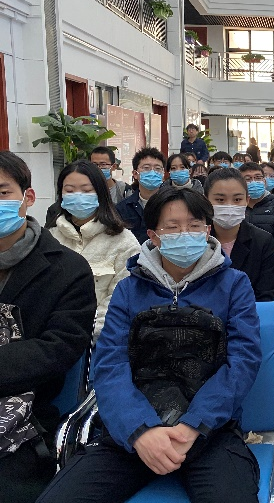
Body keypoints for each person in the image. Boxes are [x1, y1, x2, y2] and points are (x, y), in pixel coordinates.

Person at [38, 187, 262, 503]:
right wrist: (141, 431)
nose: (185, 234)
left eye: (194, 225)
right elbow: (110, 364)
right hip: (133, 431)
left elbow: (242, 361)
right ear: (154, 236)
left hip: (210, 430)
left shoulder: (234, 284)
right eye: (173, 227)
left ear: (207, 230)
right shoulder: (128, 290)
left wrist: (194, 425)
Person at [0, 152, 95, 503]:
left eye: (2, 192)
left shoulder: (67, 269)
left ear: (28, 197)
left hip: (27, 415)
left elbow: (60, 346)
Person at [47, 160, 140, 342]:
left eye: (87, 190)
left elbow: (120, 300)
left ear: (100, 194)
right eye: (70, 191)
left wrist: (84, 334)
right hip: (50, 340)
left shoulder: (124, 242)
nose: (78, 196)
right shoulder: (49, 239)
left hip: (100, 341)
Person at [205, 168, 274, 302]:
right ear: (205, 201)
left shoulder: (263, 242)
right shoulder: (196, 240)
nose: (229, 206)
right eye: (220, 200)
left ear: (247, 200)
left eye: (237, 199)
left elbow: (265, 295)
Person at [115, 147, 165, 244]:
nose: (152, 172)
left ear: (163, 174)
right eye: (146, 168)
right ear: (135, 174)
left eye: (157, 169)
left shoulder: (173, 205)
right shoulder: (122, 208)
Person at [240, 162, 274, 252]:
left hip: (269, 256)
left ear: (264, 182)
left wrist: (263, 254)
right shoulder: (235, 207)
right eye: (248, 179)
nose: (253, 182)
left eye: (258, 178)